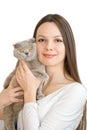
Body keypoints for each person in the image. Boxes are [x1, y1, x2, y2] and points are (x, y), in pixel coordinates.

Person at [0, 14, 87, 130]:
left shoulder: (75, 92)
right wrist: (2, 101)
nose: (49, 47)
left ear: (68, 45)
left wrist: (29, 93)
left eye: (57, 40)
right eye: (41, 40)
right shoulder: (23, 80)